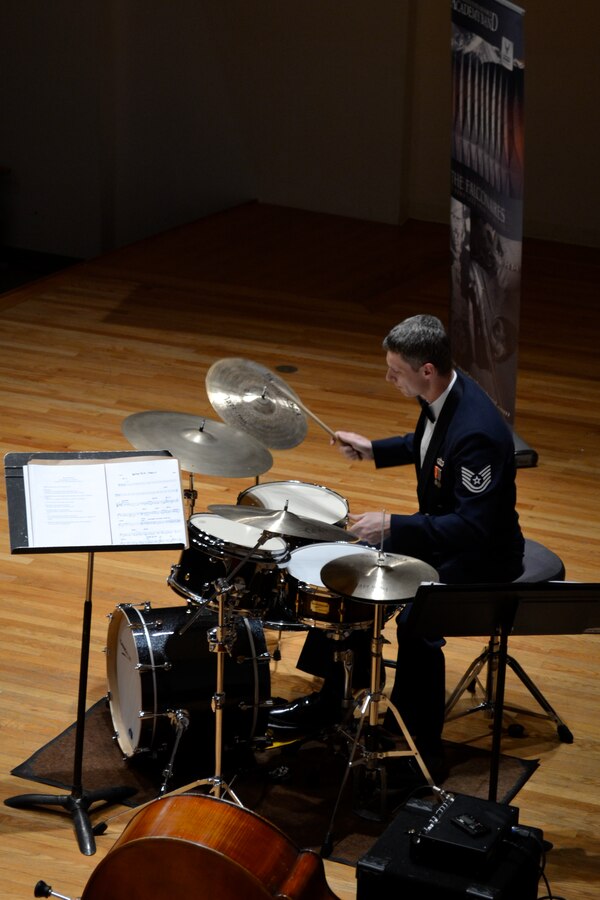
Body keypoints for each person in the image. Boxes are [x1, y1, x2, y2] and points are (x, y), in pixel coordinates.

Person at [268, 314, 524, 778]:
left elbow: (473, 526)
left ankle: (418, 748)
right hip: (447, 537)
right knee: (351, 575)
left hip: (483, 556)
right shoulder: (443, 393)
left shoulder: (478, 431)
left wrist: (395, 525)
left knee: (414, 623)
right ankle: (333, 699)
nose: (388, 378)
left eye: (395, 371)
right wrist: (375, 450)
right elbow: (428, 445)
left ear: (427, 369)